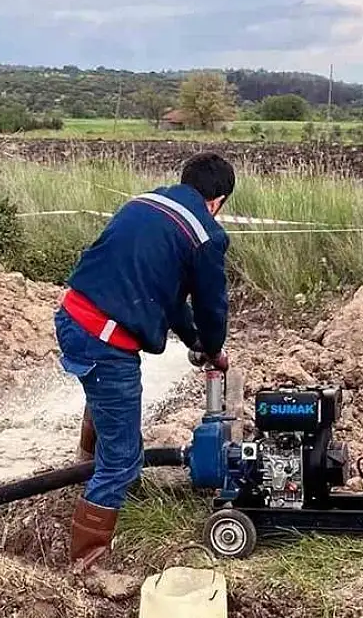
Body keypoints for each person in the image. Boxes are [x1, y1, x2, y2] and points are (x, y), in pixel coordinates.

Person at [54, 151, 234, 572]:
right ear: (218, 200)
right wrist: (214, 345)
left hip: (72, 316)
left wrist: (196, 343)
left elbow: (168, 297)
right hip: (104, 338)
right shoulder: (206, 236)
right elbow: (211, 308)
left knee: (105, 403)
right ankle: (88, 565)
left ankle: (85, 476)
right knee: (122, 460)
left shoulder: (145, 203)